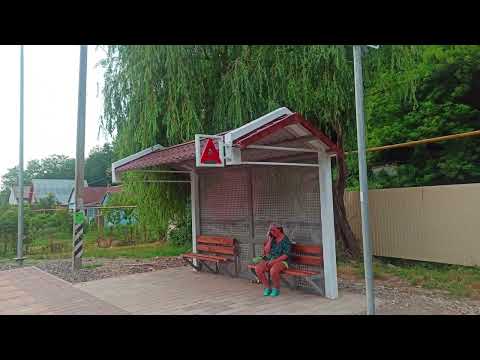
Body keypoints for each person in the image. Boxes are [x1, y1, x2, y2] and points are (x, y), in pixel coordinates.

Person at [253, 224, 292, 297]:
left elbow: (285, 255)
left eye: (273, 230)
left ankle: (276, 289)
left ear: (279, 229)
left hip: (283, 261)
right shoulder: (272, 239)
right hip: (270, 259)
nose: (272, 232)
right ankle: (267, 287)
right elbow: (267, 251)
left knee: (273, 270)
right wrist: (270, 240)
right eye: (270, 231)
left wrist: (274, 261)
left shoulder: (286, 240)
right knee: (258, 268)